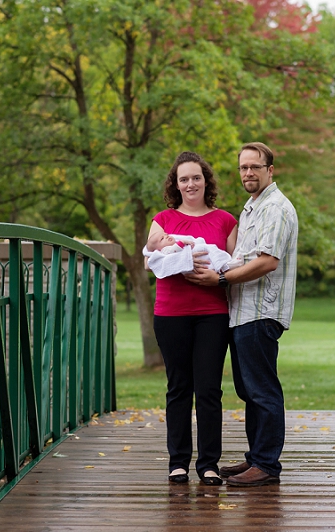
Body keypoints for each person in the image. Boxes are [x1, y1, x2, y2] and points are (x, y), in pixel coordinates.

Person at [185, 141, 298, 487]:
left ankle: (266, 465)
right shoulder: (253, 207)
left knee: (262, 390)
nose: (248, 173)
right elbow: (242, 255)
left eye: (255, 167)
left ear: (270, 170)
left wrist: (219, 278)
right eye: (243, 168)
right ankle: (256, 458)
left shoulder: (276, 208)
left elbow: (267, 262)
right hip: (243, 312)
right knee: (250, 390)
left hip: (261, 311)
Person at [147, 151, 238, 486]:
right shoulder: (163, 219)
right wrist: (174, 252)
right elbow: (150, 259)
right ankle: (178, 462)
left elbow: (235, 265)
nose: (190, 184)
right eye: (183, 178)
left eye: (196, 177)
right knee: (179, 387)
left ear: (206, 181)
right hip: (171, 314)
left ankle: (209, 464)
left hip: (212, 315)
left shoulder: (226, 220)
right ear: (176, 184)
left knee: (209, 390)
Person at [143, 232, 240, 279]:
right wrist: (185, 254)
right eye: (162, 239)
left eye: (165, 235)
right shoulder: (165, 251)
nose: (166, 236)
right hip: (173, 304)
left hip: (214, 305)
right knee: (210, 250)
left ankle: (226, 264)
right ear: (158, 249)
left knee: (211, 253)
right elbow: (150, 264)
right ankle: (224, 265)